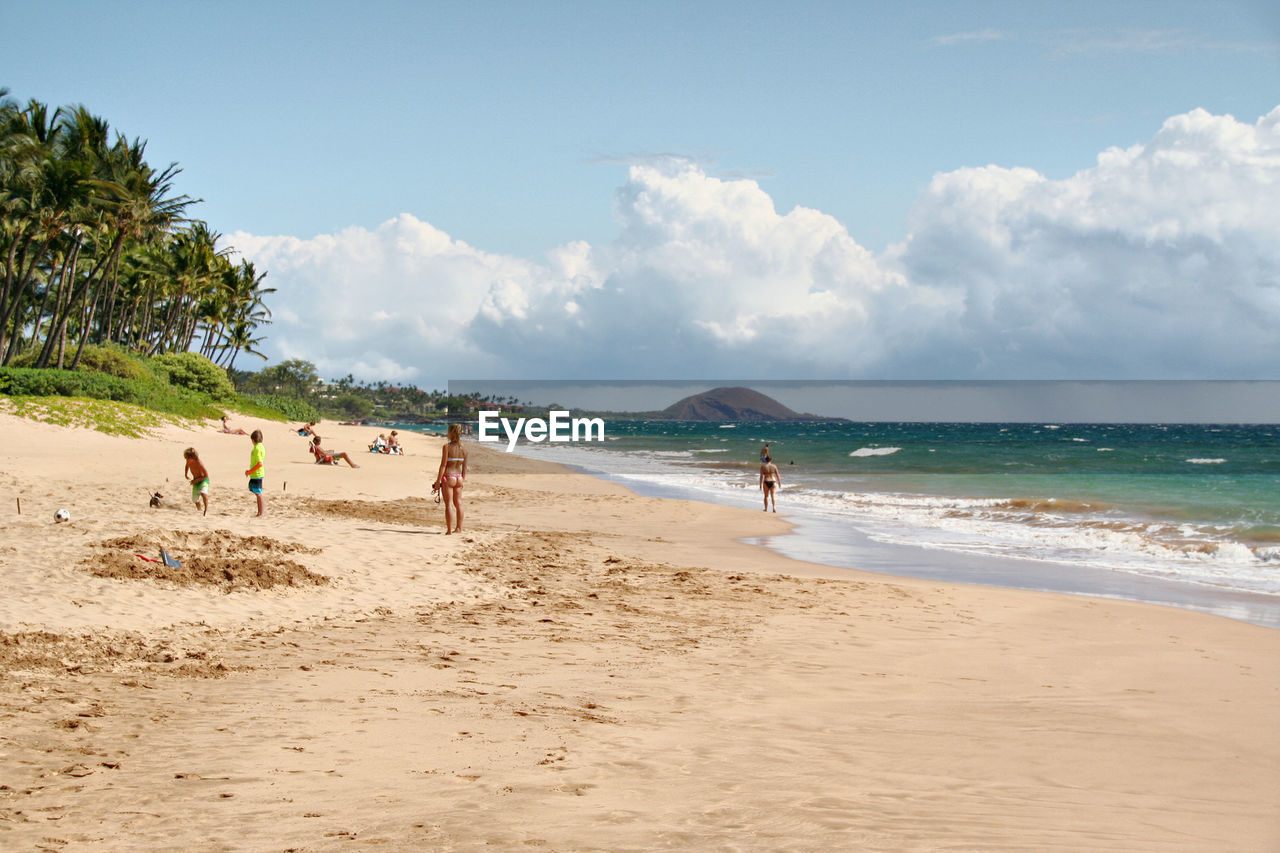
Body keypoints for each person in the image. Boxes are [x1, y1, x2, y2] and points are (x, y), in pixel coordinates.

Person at [433, 423, 467, 534]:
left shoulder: (447, 447)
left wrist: (438, 481)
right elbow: (464, 467)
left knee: (449, 504)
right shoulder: (464, 449)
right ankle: (459, 528)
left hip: (449, 476)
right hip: (459, 477)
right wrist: (462, 479)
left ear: (451, 432)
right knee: (459, 503)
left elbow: (443, 465)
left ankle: (449, 530)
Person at [183, 447, 210, 516]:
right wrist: (186, 474)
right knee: (195, 499)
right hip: (196, 481)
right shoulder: (189, 461)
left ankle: (205, 510)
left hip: (203, 480)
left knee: (203, 493)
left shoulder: (199, 463)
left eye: (187, 458)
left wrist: (197, 480)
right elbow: (187, 466)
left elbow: (206, 475)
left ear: (192, 457)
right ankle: (199, 510)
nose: (186, 460)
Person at [245, 430, 265, 517]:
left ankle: (261, 512)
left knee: (258, 493)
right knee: (256, 491)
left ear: (253, 440)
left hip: (257, 474)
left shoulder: (257, 448)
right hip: (257, 474)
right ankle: (260, 512)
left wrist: (250, 471)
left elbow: (260, 463)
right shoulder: (261, 446)